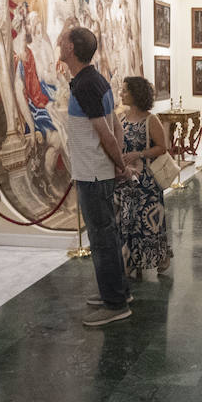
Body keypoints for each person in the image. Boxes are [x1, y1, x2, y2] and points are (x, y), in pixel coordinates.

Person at [56, 26, 134, 325]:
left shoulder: (87, 84)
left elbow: (105, 133)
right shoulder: (93, 79)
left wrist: (120, 165)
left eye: (63, 40)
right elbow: (115, 124)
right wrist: (116, 163)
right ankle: (118, 292)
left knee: (101, 240)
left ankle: (115, 304)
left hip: (93, 174)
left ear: (72, 48)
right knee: (107, 236)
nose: (59, 43)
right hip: (98, 171)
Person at [116, 76, 173, 279]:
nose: (121, 94)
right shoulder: (121, 118)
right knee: (128, 224)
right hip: (125, 180)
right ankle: (130, 262)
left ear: (135, 94)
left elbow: (162, 148)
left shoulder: (151, 119)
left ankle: (158, 257)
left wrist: (139, 154)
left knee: (148, 225)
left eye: (124, 90)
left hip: (146, 183)